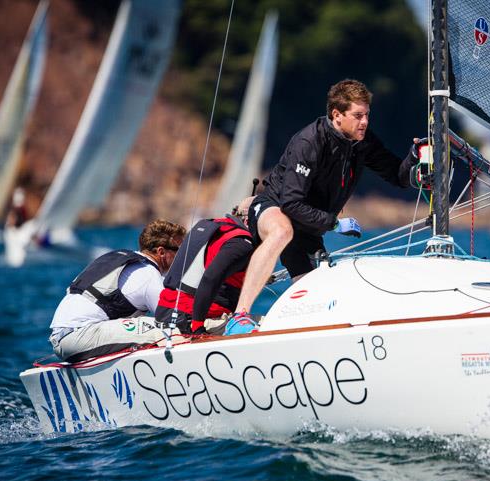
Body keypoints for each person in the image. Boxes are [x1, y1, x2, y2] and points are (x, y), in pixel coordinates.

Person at [225, 79, 421, 335]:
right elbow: (291, 202)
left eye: (367, 115)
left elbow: (398, 176)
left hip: (307, 228)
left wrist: (414, 156)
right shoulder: (310, 142)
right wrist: (335, 223)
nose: (364, 122)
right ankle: (239, 316)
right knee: (283, 230)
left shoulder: (363, 142)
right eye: (358, 115)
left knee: (315, 300)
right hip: (274, 208)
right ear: (337, 115)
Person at [49, 219, 186, 362]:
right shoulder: (148, 274)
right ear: (161, 252)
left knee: (147, 327)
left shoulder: (119, 258)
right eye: (180, 251)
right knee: (170, 332)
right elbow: (174, 319)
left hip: (62, 337)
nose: (183, 257)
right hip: (80, 335)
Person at [154, 207, 254, 335]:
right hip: (190, 321)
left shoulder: (215, 227)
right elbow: (210, 278)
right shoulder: (242, 242)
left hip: (165, 312)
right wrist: (198, 326)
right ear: (248, 220)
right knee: (267, 324)